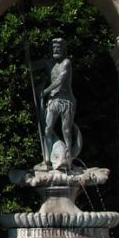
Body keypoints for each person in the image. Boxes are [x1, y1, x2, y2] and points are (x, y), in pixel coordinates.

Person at [41, 38, 76, 169]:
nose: (56, 50)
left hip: (66, 101)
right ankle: (47, 158)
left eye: (59, 48)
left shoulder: (66, 62)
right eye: (54, 48)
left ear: (63, 50)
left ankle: (69, 158)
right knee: (48, 128)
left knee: (66, 130)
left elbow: (60, 80)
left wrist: (45, 91)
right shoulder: (49, 64)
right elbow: (30, 66)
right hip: (52, 101)